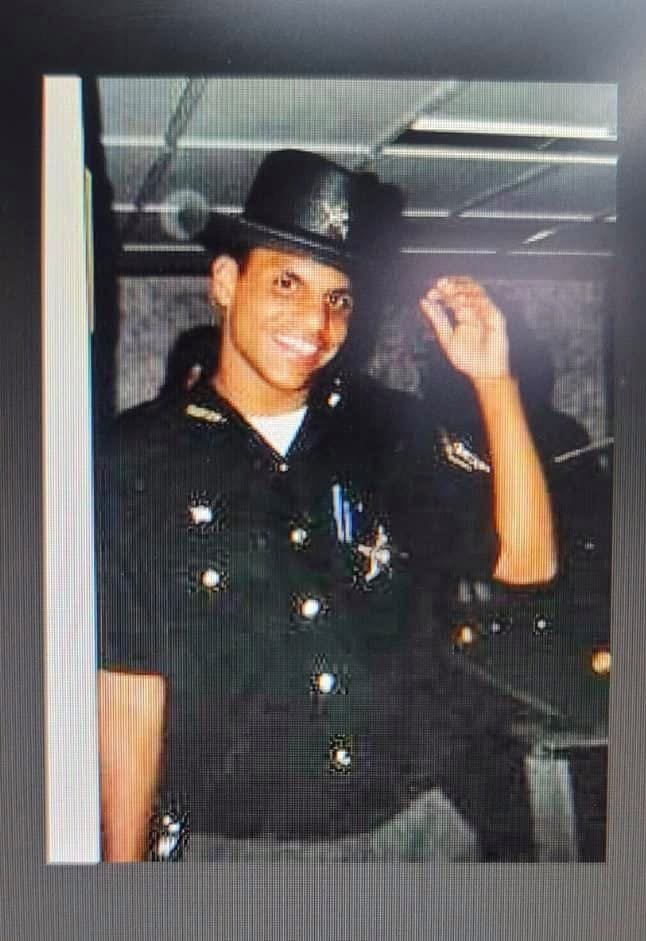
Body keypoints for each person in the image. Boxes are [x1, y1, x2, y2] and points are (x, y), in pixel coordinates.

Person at [97, 150, 557, 862]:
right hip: (239, 854)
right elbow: (130, 694)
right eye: (287, 282)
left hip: (412, 834)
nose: (316, 320)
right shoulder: (136, 459)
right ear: (226, 283)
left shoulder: (390, 430)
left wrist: (494, 382)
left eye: (338, 298)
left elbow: (527, 562)